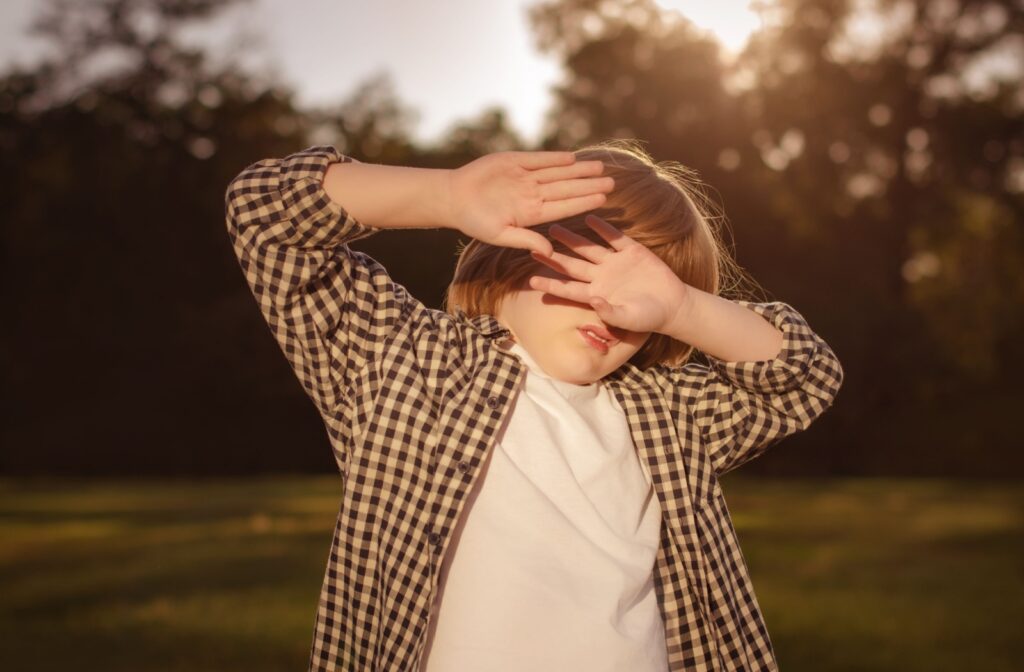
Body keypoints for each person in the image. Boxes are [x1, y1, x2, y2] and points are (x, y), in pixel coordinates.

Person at [223, 140, 844, 672]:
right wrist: (446, 196)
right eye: (589, 272)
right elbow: (262, 214)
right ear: (515, 251)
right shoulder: (408, 362)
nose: (612, 309)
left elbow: (803, 378)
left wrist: (683, 308)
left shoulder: (666, 410)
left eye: (638, 296)